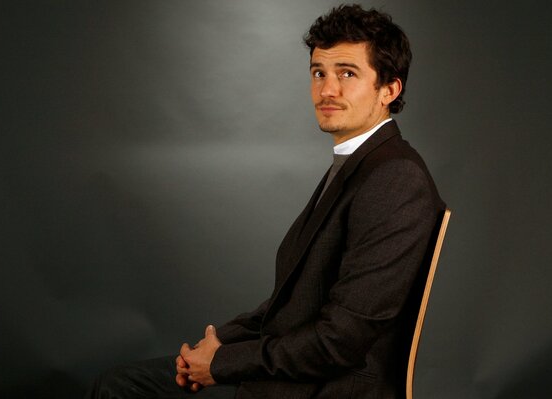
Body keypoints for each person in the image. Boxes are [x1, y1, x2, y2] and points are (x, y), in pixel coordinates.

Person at [86, 4, 445, 399]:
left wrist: (221, 364)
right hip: (294, 374)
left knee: (119, 390)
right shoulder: (358, 166)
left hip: (326, 389)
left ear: (389, 90)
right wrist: (218, 343)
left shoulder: (395, 178)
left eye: (347, 73)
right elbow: (292, 304)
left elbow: (339, 341)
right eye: (318, 73)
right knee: (123, 383)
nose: (327, 89)